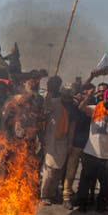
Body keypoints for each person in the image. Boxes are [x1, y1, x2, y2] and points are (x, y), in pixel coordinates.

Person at [76, 87, 108, 212]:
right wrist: (88, 95)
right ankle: (82, 203)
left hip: (107, 156)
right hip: (90, 152)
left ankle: (101, 205)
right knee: (85, 180)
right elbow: (81, 107)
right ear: (104, 98)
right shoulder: (96, 109)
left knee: (105, 184)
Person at [40, 76, 70, 205]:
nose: (66, 98)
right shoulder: (55, 102)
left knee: (59, 170)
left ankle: (52, 193)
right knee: (49, 170)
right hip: (51, 141)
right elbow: (45, 105)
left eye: (69, 96)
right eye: (65, 95)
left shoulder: (72, 106)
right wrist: (49, 89)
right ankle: (44, 195)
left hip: (63, 142)